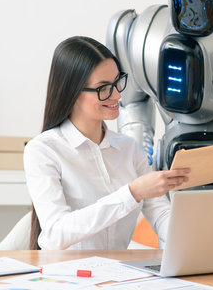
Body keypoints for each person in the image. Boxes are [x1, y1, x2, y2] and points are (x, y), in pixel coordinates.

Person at [24, 36, 189, 250]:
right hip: (68, 277)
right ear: (72, 92)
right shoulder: (43, 150)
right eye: (104, 88)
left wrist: (189, 239)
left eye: (117, 82)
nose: (118, 94)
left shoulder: (129, 149)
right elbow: (56, 234)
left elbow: (159, 212)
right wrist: (131, 193)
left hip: (119, 274)